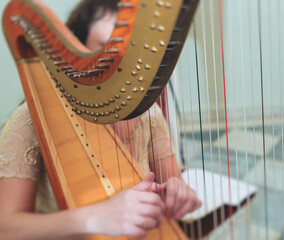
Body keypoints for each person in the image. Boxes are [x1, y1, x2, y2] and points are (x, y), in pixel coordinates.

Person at [0, 0, 201, 239]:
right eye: (108, 53)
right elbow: (6, 228)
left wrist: (179, 195)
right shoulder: (29, 120)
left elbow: (173, 190)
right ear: (78, 55)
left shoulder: (150, 116)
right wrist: (93, 218)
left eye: (129, 56)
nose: (120, 67)